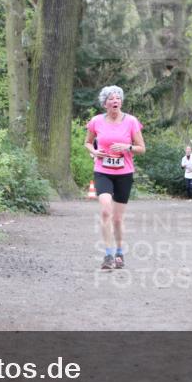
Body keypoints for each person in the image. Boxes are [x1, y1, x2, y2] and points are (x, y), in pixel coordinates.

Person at [85, 85, 146, 270]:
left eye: (118, 98)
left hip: (124, 173)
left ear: (121, 102)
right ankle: (108, 254)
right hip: (102, 171)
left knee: (118, 219)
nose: (115, 101)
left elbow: (142, 148)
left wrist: (127, 147)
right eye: (111, 99)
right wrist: (95, 151)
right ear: (105, 103)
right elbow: (87, 142)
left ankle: (119, 252)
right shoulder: (96, 121)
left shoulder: (131, 121)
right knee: (105, 211)